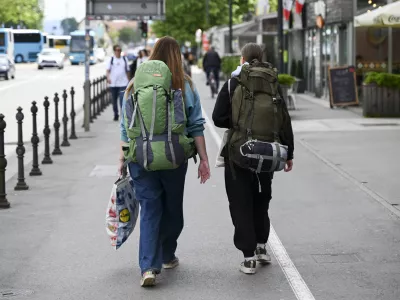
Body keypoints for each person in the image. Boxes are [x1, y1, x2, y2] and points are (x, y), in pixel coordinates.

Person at [118, 36, 211, 287]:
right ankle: (168, 254)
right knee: (173, 208)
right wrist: (204, 159)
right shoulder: (185, 85)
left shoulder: (134, 85)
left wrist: (122, 160)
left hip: (141, 157)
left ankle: (148, 267)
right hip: (174, 156)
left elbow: (126, 128)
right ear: (177, 56)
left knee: (150, 208)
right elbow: (196, 126)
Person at [212, 43, 294, 275]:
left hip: (239, 152)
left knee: (240, 204)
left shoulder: (233, 83)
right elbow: (284, 120)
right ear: (262, 57)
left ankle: (248, 258)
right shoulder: (273, 82)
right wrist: (289, 153)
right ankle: (261, 247)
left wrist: (238, 124)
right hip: (268, 151)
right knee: (261, 199)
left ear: (242, 59)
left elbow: (218, 118)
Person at [106, 44, 130, 121]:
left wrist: (129, 81)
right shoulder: (111, 59)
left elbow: (127, 71)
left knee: (122, 100)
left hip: (123, 83)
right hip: (113, 84)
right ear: (114, 51)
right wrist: (108, 78)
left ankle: (122, 115)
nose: (118, 52)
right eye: (117, 50)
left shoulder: (124, 59)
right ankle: (115, 114)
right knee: (114, 100)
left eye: (119, 50)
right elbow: (107, 70)